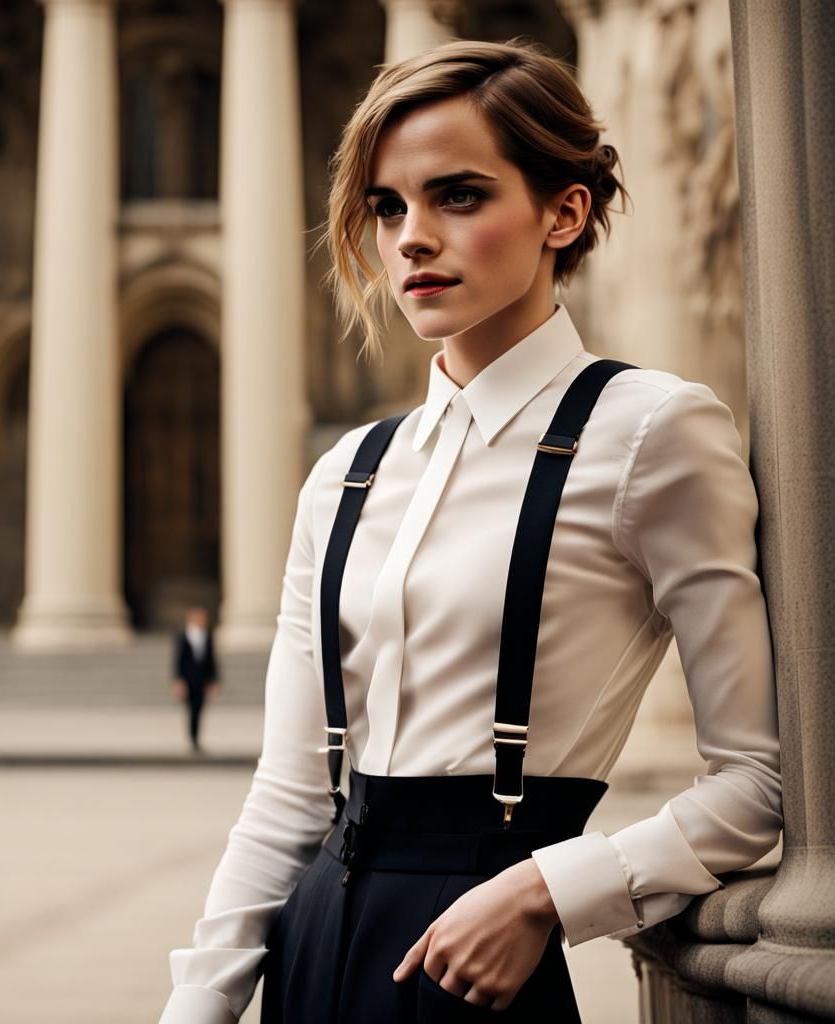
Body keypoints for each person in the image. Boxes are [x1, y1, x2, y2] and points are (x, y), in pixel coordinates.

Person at [159, 38, 782, 1023]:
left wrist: (549, 889)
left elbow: (760, 782)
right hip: (309, 951)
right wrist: (198, 1005)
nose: (410, 237)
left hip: (477, 962)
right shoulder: (345, 474)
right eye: (387, 205)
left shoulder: (652, 433)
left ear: (562, 211)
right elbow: (287, 799)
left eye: (456, 195)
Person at [172, 605, 218, 754]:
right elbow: (178, 660)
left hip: (202, 680)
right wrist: (178, 681)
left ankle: (196, 739)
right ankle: (192, 738)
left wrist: (213, 680)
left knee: (199, 709)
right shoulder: (183, 636)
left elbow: (212, 660)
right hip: (188, 680)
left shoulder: (207, 635)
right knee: (191, 710)